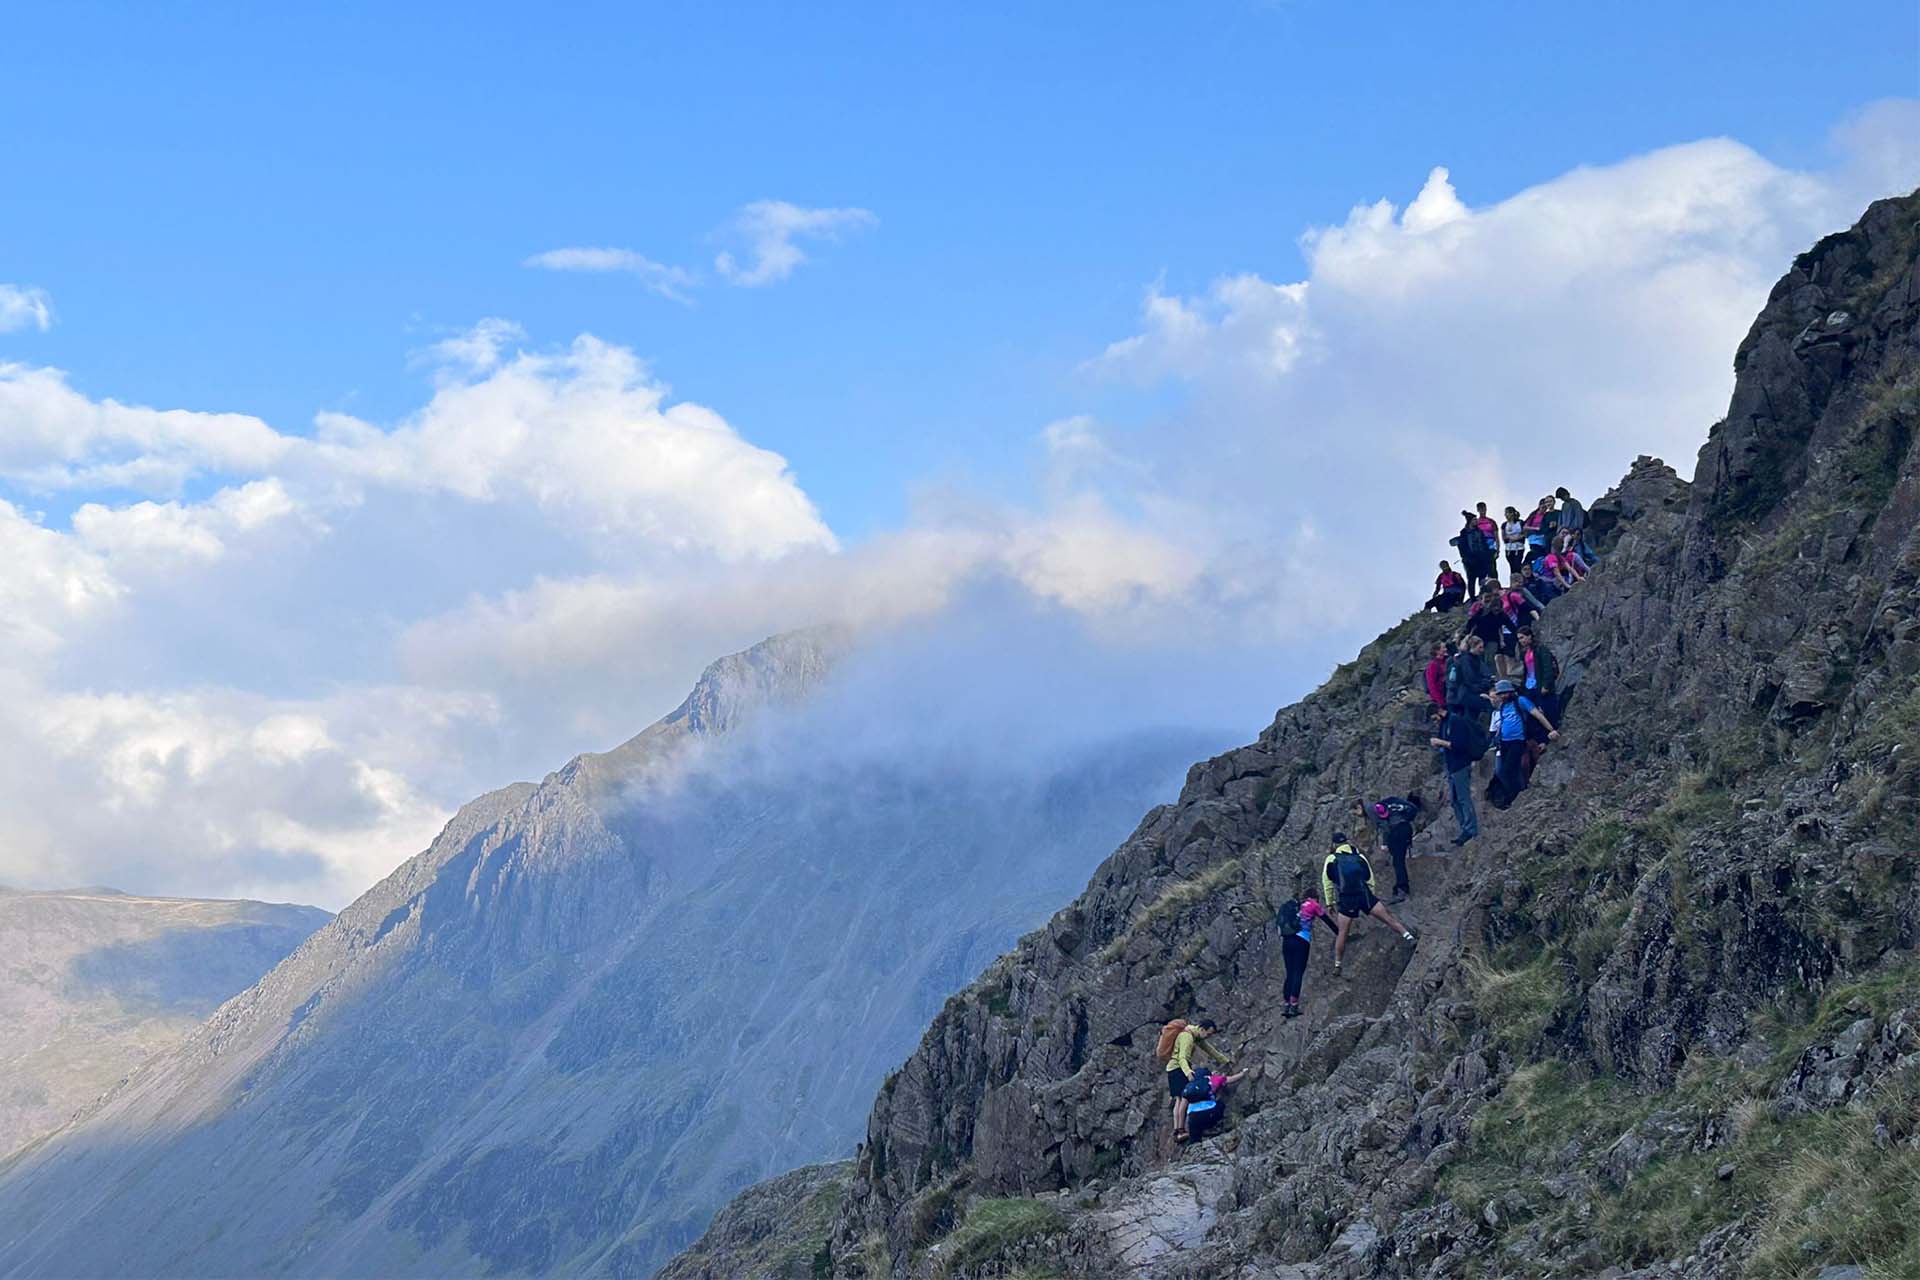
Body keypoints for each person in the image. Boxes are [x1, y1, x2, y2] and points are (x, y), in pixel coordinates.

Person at [1320, 834, 1415, 975]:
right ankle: (1408, 936)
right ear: (1347, 842)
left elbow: (1327, 883)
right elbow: (1370, 878)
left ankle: (1338, 964)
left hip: (1347, 898)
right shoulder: (1359, 857)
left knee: (1343, 932)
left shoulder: (1331, 859)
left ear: (1334, 845)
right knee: (1388, 918)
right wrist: (1370, 896)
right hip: (1363, 894)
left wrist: (1330, 903)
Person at [1491, 679, 1558, 802]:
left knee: (1508, 770)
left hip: (1517, 741)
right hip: (1504, 742)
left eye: (1505, 693)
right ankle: (1513, 794)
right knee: (1505, 771)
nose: (1503, 696)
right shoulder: (1503, 706)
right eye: (1501, 694)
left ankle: (1514, 796)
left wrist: (1551, 729)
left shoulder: (1520, 701)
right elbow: (1502, 723)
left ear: (1510, 692)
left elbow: (1537, 715)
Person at [1163, 1017, 1229, 1142]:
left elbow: (1209, 1049)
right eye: (1208, 1034)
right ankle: (1179, 1131)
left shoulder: (1195, 1035)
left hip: (1175, 1069)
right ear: (1202, 1029)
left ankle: (1178, 1130)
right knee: (1183, 1099)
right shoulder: (1187, 1037)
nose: (1208, 1037)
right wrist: (1188, 1073)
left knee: (1179, 1099)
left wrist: (1225, 1060)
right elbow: (1182, 1058)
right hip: (1178, 1069)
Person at [1430, 707, 1480, 846]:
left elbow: (1459, 745)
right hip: (1451, 766)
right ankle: (1464, 827)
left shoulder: (1456, 721)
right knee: (1454, 800)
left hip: (1460, 765)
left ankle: (1471, 829)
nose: (1435, 722)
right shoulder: (1444, 724)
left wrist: (1441, 742)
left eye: (1435, 718)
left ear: (1439, 711)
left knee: (1464, 798)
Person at [1277, 897, 1329, 1018]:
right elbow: (1327, 920)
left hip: (1287, 941)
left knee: (1289, 973)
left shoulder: (1294, 906)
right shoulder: (1313, 904)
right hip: (1301, 942)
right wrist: (1340, 934)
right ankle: (1294, 1006)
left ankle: (1286, 1004)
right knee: (1298, 973)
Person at [1369, 794, 1424, 901]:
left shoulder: (1376, 809)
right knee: (1399, 860)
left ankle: (1402, 888)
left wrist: (1385, 843)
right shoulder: (1396, 802)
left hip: (1397, 831)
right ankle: (1401, 886)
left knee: (1398, 861)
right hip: (1406, 828)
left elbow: (1385, 827)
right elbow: (1413, 809)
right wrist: (1407, 819)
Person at [1516, 628, 1559, 725]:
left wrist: (1546, 685)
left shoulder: (1541, 649)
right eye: (1519, 639)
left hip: (1540, 685)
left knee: (1547, 710)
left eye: (1522, 637)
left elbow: (1547, 667)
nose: (1521, 641)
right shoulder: (1524, 653)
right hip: (1529, 686)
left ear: (1529, 636)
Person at [1445, 634, 1493, 716]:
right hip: (1464, 694)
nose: (1482, 650)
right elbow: (1470, 679)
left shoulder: (1475, 659)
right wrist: (1482, 688)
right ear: (1472, 647)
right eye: (1479, 647)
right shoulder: (1465, 660)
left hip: (1465, 693)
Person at [1453, 511, 1492, 600]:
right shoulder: (1464, 533)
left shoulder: (1479, 532)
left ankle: (1482, 595)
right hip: (1469, 560)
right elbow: (1462, 546)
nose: (1476, 521)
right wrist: (1466, 558)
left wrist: (1487, 555)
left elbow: (1484, 544)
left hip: (1481, 558)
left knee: (1482, 577)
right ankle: (1472, 598)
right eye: (1474, 519)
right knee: (1471, 579)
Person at [1554, 487, 1593, 563]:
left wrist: (1576, 530)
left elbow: (1579, 517)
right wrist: (1560, 530)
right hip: (1565, 532)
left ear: (1568, 494)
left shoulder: (1575, 503)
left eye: (1564, 496)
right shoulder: (1564, 506)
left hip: (1574, 531)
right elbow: (1561, 520)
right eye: (1562, 498)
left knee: (1578, 548)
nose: (1564, 498)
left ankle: (1584, 564)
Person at [1473, 503, 1501, 582]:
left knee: (1492, 567)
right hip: (1480, 548)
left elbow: (1496, 537)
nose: (1482, 510)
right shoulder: (1476, 522)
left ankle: (1495, 584)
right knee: (1481, 569)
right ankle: (1483, 588)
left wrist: (1498, 550)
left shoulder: (1491, 521)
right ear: (1478, 510)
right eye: (1480, 509)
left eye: (1483, 508)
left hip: (1491, 547)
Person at [1501, 506, 1527, 583]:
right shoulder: (1504, 524)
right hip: (1509, 548)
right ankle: (1513, 583)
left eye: (1508, 513)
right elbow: (1503, 537)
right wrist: (1509, 538)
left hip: (1519, 547)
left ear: (1512, 513)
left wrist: (1517, 538)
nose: (1506, 515)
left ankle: (1520, 582)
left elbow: (1525, 534)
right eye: (1505, 513)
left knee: (1517, 565)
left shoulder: (1520, 523)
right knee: (1512, 567)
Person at [1423, 641, 1451, 712]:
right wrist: (1441, 702)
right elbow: (1432, 686)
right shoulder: (1433, 665)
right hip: (1442, 697)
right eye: (1443, 648)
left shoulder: (1446, 660)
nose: (1446, 649)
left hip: (1449, 694)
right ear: (1437, 651)